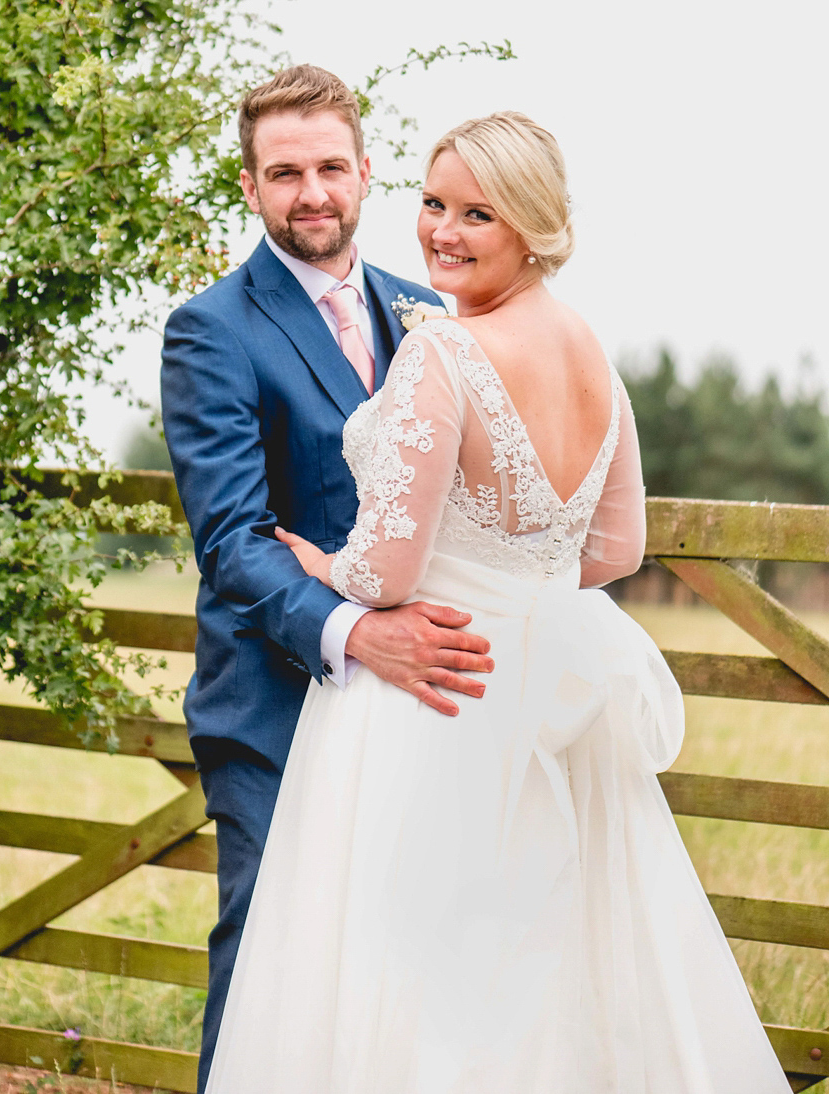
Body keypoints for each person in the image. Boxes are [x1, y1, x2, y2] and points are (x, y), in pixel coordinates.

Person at [204, 111, 789, 1092]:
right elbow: (616, 548)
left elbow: (387, 573)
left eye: (478, 212)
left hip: (431, 698)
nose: (443, 230)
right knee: (557, 966)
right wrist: (519, 585)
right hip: (543, 694)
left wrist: (314, 560)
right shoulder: (593, 355)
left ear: (534, 224)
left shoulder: (445, 352)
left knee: (420, 981)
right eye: (433, 203)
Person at [161, 65, 495, 1090]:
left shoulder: (428, 308)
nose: (312, 192)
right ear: (252, 184)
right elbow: (233, 539)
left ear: (365, 170)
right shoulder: (211, 329)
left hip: (418, 708)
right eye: (285, 171)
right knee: (270, 967)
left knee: (398, 972)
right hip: (273, 708)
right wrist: (360, 631)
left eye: (330, 167)